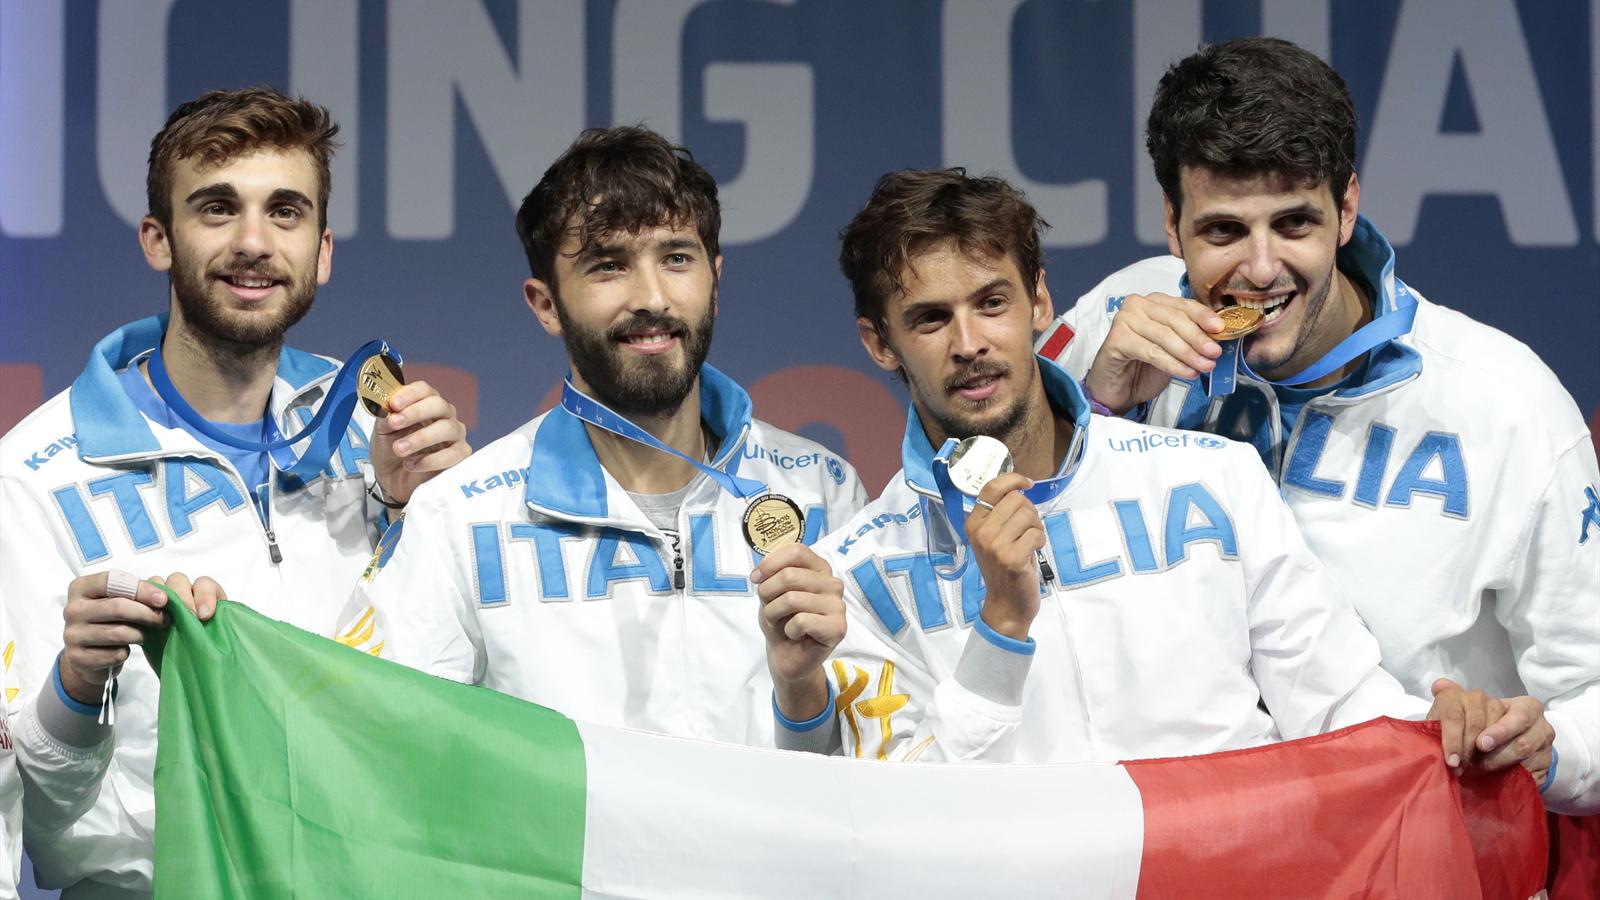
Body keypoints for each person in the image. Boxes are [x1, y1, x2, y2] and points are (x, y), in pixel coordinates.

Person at [772, 166, 1549, 771]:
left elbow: (1343, 706)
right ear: (879, 344)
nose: (970, 342)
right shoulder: (858, 576)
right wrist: (1002, 629)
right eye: (931, 319)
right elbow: (913, 828)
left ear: (1040, 302)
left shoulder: (1214, 478)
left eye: (992, 302)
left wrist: (1446, 732)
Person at [1041, 38, 1596, 814]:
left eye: (1295, 223)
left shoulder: (1506, 404)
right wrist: (1090, 410)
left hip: (1404, 847)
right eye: (1224, 231)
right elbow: (966, 552)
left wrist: (1545, 747)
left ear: (1348, 209)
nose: (1261, 270)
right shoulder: (1119, 321)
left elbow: (1592, 690)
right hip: (1180, 844)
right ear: (1173, 224)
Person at [0, 86, 470, 897]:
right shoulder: (38, 474)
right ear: (158, 239)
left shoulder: (378, 425)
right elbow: (35, 813)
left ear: (322, 250)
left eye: (284, 213)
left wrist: (418, 515)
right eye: (217, 210)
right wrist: (77, 684)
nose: (253, 242)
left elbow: (441, 713)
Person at [338, 126, 866, 745]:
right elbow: (373, 744)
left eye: (676, 258)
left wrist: (802, 695)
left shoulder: (821, 491)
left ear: (714, 279)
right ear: (545, 304)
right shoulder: (460, 515)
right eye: (608, 265)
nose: (651, 298)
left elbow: (881, 773)